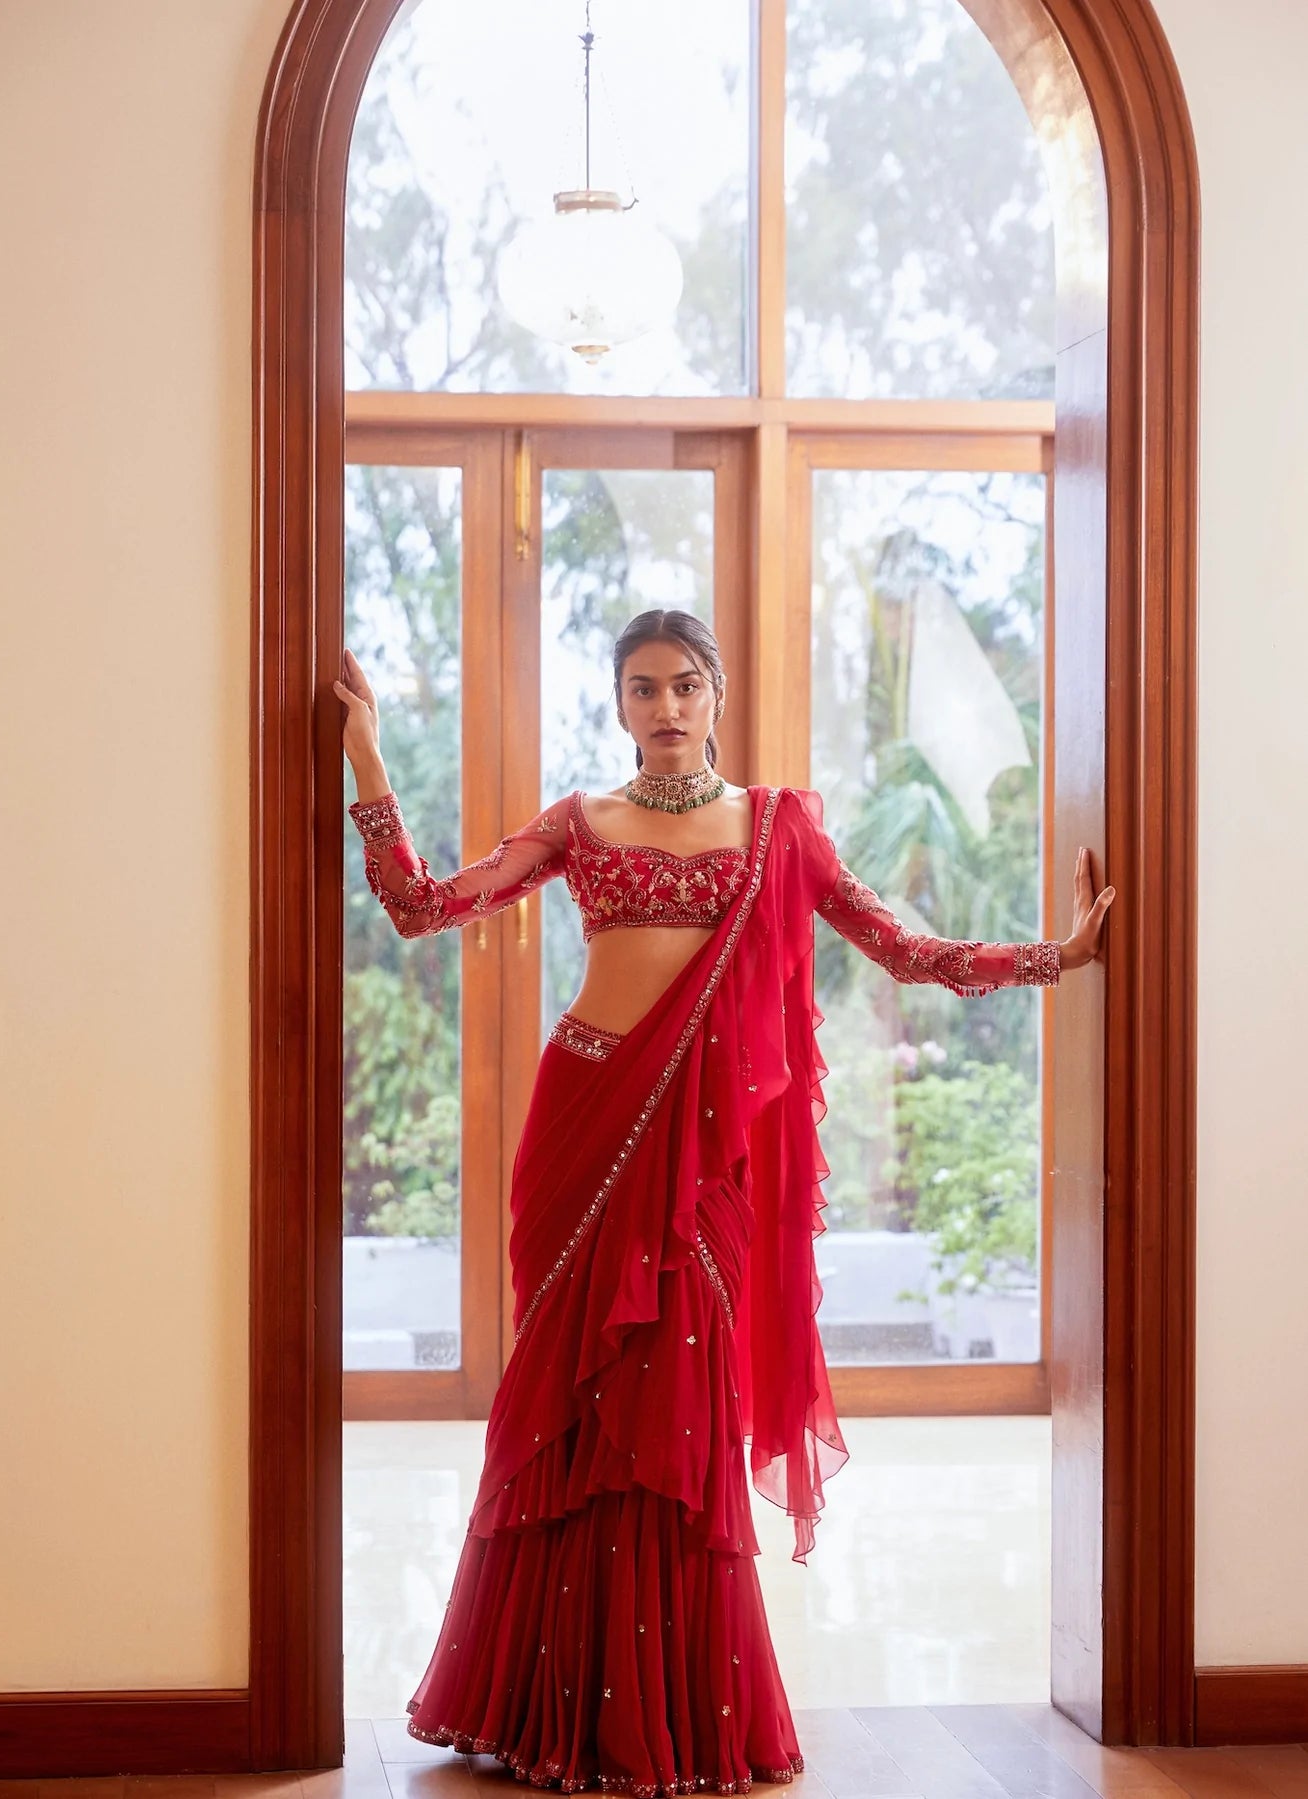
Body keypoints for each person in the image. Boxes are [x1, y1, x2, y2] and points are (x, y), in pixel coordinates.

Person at [333, 608, 1115, 1796]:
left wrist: (1059, 954)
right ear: (616, 702)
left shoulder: (776, 827)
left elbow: (900, 948)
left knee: (682, 1399)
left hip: (704, 1159)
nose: (665, 707)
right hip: (584, 1126)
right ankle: (542, 1704)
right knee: (564, 1405)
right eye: (642, 687)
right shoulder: (577, 821)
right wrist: (367, 753)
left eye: (685, 684)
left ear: (717, 693)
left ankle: (681, 1712)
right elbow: (420, 904)